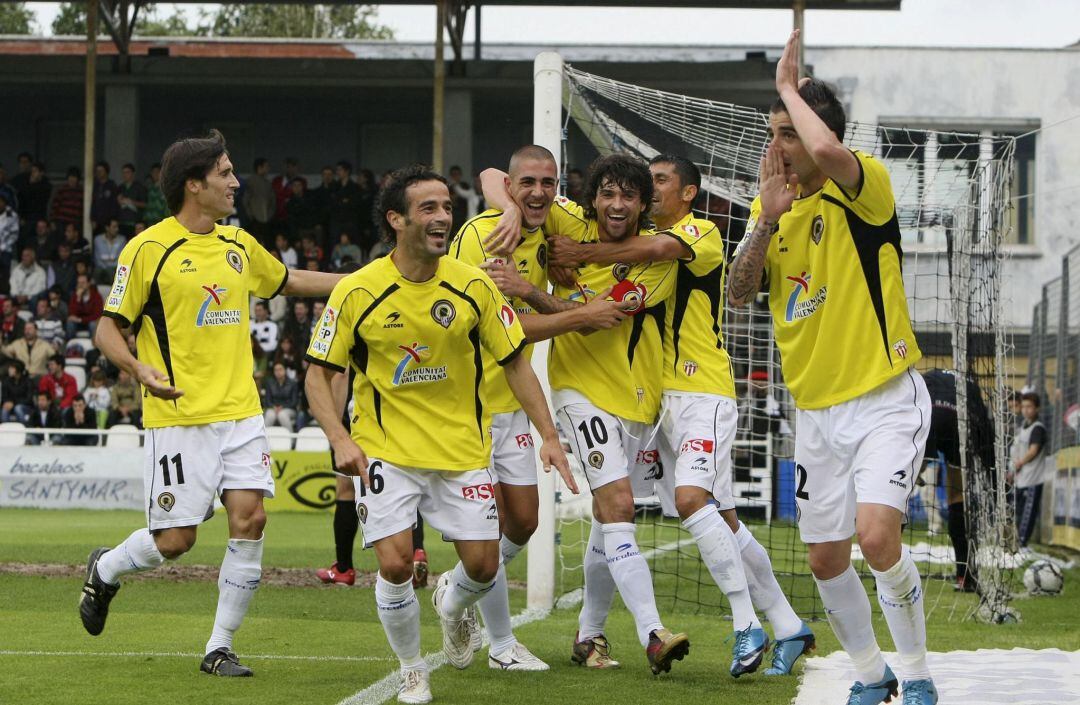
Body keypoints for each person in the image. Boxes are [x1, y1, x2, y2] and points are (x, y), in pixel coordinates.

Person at [76, 129, 345, 678]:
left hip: (241, 413)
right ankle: (105, 568)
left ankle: (218, 647)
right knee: (175, 541)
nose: (235, 181)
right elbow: (108, 328)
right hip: (180, 419)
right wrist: (135, 367)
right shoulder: (149, 248)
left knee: (251, 518)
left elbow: (288, 281)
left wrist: (366, 280)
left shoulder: (239, 244)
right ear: (193, 184)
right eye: (224, 172)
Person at [304, 164, 575, 703]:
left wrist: (548, 434)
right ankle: (410, 669)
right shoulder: (358, 290)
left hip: (461, 451)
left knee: (482, 564)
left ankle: (452, 603)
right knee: (396, 563)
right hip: (387, 453)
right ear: (395, 219)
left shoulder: (473, 284)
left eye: (448, 208)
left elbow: (516, 362)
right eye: (428, 208)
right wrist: (339, 437)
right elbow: (320, 372)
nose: (443, 218)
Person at [727, 30, 936, 704]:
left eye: (785, 132)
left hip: (884, 398)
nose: (777, 146)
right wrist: (765, 222)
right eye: (773, 133)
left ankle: (921, 674)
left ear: (820, 134)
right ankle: (874, 675)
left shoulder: (865, 187)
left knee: (877, 537)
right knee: (824, 557)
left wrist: (790, 86)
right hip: (815, 410)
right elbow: (737, 292)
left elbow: (823, 150)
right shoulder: (774, 209)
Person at [546, 154, 813, 677]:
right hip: (658, 400)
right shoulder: (635, 243)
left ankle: (745, 625)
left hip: (702, 390)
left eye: (657, 181)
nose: (646, 190)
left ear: (687, 192)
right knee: (707, 519)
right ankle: (787, 624)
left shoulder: (699, 232)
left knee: (688, 500)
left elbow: (660, 249)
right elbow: (503, 184)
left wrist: (580, 252)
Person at [481, 153, 690, 675]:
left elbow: (600, 318)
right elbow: (496, 177)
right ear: (593, 197)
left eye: (628, 196)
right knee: (618, 506)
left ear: (643, 204)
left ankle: (590, 634)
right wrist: (508, 208)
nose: (616, 205)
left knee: (608, 517)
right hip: (579, 393)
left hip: (640, 401)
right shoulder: (568, 219)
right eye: (607, 194)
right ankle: (652, 632)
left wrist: (531, 289)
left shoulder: (655, 261)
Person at [452, 145, 635, 669]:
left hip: (513, 401)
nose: (537, 192)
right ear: (512, 188)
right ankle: (502, 646)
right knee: (487, 531)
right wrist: (579, 316)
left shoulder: (556, 226)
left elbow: (490, 170)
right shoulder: (485, 235)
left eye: (547, 183)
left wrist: (548, 291)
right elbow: (499, 332)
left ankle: (456, 591)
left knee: (525, 523)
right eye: (526, 184)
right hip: (469, 406)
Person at [1011, 391, 1053, 550]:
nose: (1026, 410)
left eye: (1030, 407)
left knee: (1028, 513)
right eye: (1024, 406)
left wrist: (1019, 463)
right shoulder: (1023, 427)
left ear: (1037, 409)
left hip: (1033, 479)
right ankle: (1015, 540)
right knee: (1018, 510)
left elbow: (1033, 450)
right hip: (1021, 478)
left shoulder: (1038, 428)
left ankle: (1022, 543)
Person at [242, 158, 275, 242]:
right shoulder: (250, 182)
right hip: (255, 220)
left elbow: (272, 201)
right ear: (260, 167)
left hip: (264, 219)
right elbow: (246, 200)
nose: (268, 169)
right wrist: (251, 216)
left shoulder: (267, 183)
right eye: (266, 166)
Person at [261, 362, 299, 431]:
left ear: (285, 370)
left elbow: (294, 402)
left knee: (282, 415)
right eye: (276, 370)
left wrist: (282, 407)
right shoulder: (270, 383)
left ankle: (291, 439)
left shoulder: (293, 383)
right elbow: (267, 400)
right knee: (270, 415)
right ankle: (265, 438)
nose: (278, 372)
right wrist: (274, 407)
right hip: (273, 408)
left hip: (289, 408)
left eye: (280, 369)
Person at [67, 272, 104, 339]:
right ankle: (71, 345)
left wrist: (81, 320)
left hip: (90, 322)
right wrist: (78, 298)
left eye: (83, 283)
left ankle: (93, 346)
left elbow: (97, 315)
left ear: (88, 283)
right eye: (79, 283)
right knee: (70, 323)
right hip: (77, 323)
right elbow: (71, 314)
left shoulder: (96, 296)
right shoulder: (75, 296)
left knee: (93, 324)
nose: (80, 285)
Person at [117, 163, 148, 237]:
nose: (125, 175)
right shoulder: (120, 187)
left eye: (127, 172)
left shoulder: (140, 187)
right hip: (122, 222)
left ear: (133, 174)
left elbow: (145, 204)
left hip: (134, 223)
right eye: (123, 172)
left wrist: (131, 202)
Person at [92, 219, 125, 285]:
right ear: (107, 228)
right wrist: (107, 268)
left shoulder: (122, 240)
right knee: (97, 271)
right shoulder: (98, 240)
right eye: (114, 227)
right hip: (101, 268)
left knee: (114, 272)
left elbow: (120, 259)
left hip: (115, 269)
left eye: (117, 227)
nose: (117, 229)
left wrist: (108, 267)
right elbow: (97, 259)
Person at [90, 161, 119, 233]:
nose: (98, 173)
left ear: (106, 172)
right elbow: (93, 203)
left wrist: (113, 219)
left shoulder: (112, 185)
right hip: (97, 221)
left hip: (108, 220)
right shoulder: (94, 185)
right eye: (97, 171)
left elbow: (114, 203)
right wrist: (93, 218)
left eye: (101, 171)